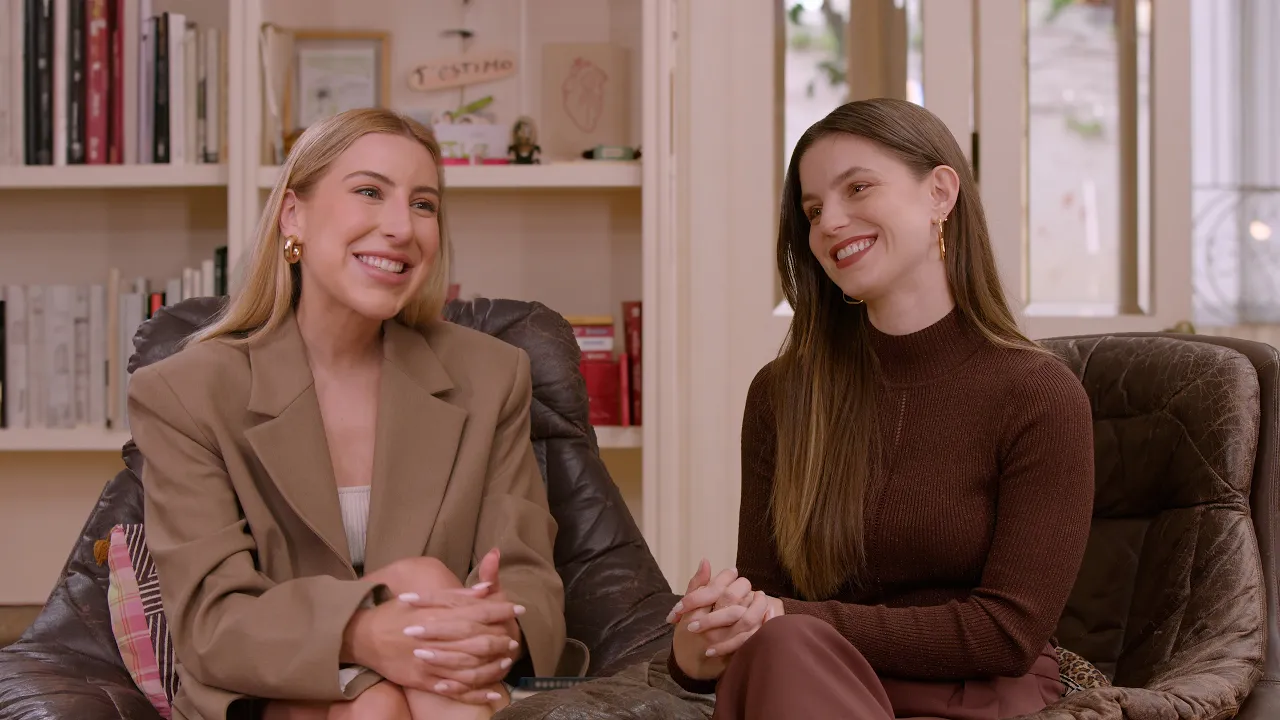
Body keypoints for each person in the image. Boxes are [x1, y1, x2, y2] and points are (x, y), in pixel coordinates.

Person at [127, 107, 565, 720]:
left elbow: (525, 579)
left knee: (408, 636)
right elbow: (213, 620)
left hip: (446, 685)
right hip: (268, 690)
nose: (401, 227)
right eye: (369, 192)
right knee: (388, 668)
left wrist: (481, 633)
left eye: (423, 204)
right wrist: (363, 635)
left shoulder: (491, 376)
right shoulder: (185, 392)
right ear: (293, 215)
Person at [664, 98, 1095, 719]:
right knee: (783, 648)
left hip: (976, 694)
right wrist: (705, 644)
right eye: (813, 210)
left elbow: (1008, 633)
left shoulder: (1038, 395)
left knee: (787, 642)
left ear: (940, 193)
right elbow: (769, 605)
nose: (830, 223)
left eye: (858, 188)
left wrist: (787, 619)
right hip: (811, 680)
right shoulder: (783, 396)